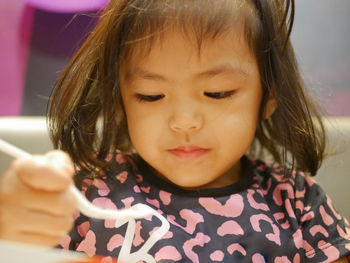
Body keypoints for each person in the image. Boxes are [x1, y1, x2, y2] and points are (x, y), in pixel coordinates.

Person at [1, 0, 349, 262]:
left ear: (268, 95)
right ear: (121, 101)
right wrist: (12, 234)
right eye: (151, 96)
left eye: (217, 93)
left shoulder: (297, 203)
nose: (183, 121)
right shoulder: (85, 196)